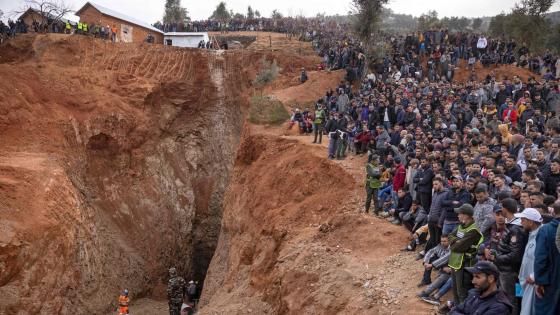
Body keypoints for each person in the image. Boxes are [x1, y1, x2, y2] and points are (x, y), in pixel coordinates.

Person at [484, 198, 527, 314]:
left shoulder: (516, 228)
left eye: (501, 207)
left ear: (505, 209)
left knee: (510, 299)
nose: (500, 210)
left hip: (509, 271)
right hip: (503, 269)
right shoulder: (512, 225)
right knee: (503, 298)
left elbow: (515, 255)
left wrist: (496, 258)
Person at [449, 204, 484, 304]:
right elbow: (450, 235)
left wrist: (454, 244)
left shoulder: (473, 231)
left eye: (459, 214)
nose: (457, 216)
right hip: (455, 262)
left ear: (466, 215)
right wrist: (457, 241)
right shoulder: (461, 225)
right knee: (455, 290)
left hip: (465, 264)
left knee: (462, 292)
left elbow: (458, 247)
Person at [533, 202, 560, 315]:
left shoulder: (546, 230)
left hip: (551, 281)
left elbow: (540, 258)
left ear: (553, 212)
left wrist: (540, 281)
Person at [516, 208, 543, 315]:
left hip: (534, 283)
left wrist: (535, 276)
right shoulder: (531, 235)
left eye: (523, 219)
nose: (521, 222)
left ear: (531, 222)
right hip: (526, 283)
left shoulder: (542, 236)